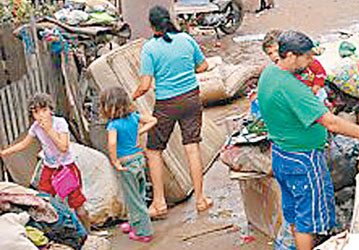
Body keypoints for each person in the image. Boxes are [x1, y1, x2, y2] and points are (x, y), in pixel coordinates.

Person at [258, 30, 359, 250]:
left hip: (281, 155)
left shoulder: (269, 73)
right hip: (303, 159)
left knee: (294, 214)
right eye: (307, 56)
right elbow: (332, 123)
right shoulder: (292, 88)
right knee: (307, 222)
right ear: (292, 55)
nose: (311, 60)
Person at [132, 5, 212, 219]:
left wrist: (131, 97)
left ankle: (159, 203)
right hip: (192, 98)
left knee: (154, 150)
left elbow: (145, 85)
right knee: (192, 147)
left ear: (151, 25)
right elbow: (203, 66)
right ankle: (201, 199)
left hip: (166, 104)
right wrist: (185, 70)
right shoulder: (186, 39)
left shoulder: (150, 48)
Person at [0, 93, 90, 230]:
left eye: (44, 110)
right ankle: (56, 232)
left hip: (67, 168)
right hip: (49, 169)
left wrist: (49, 130)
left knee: (78, 205)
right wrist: (5, 152)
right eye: (36, 112)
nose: (41, 115)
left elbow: (64, 147)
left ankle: (88, 234)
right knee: (43, 200)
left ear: (50, 109)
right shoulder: (36, 127)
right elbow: (24, 143)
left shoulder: (60, 123)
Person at [100, 87, 157, 243]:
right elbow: (153, 120)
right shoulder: (134, 117)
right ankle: (134, 223)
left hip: (126, 164)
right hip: (139, 159)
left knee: (133, 199)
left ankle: (144, 232)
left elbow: (112, 143)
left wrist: (115, 161)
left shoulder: (113, 125)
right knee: (138, 195)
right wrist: (139, 132)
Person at [262, 29, 327, 96]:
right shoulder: (274, 70)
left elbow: (320, 72)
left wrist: (316, 86)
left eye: (276, 50)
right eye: (270, 53)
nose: (274, 55)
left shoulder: (305, 60)